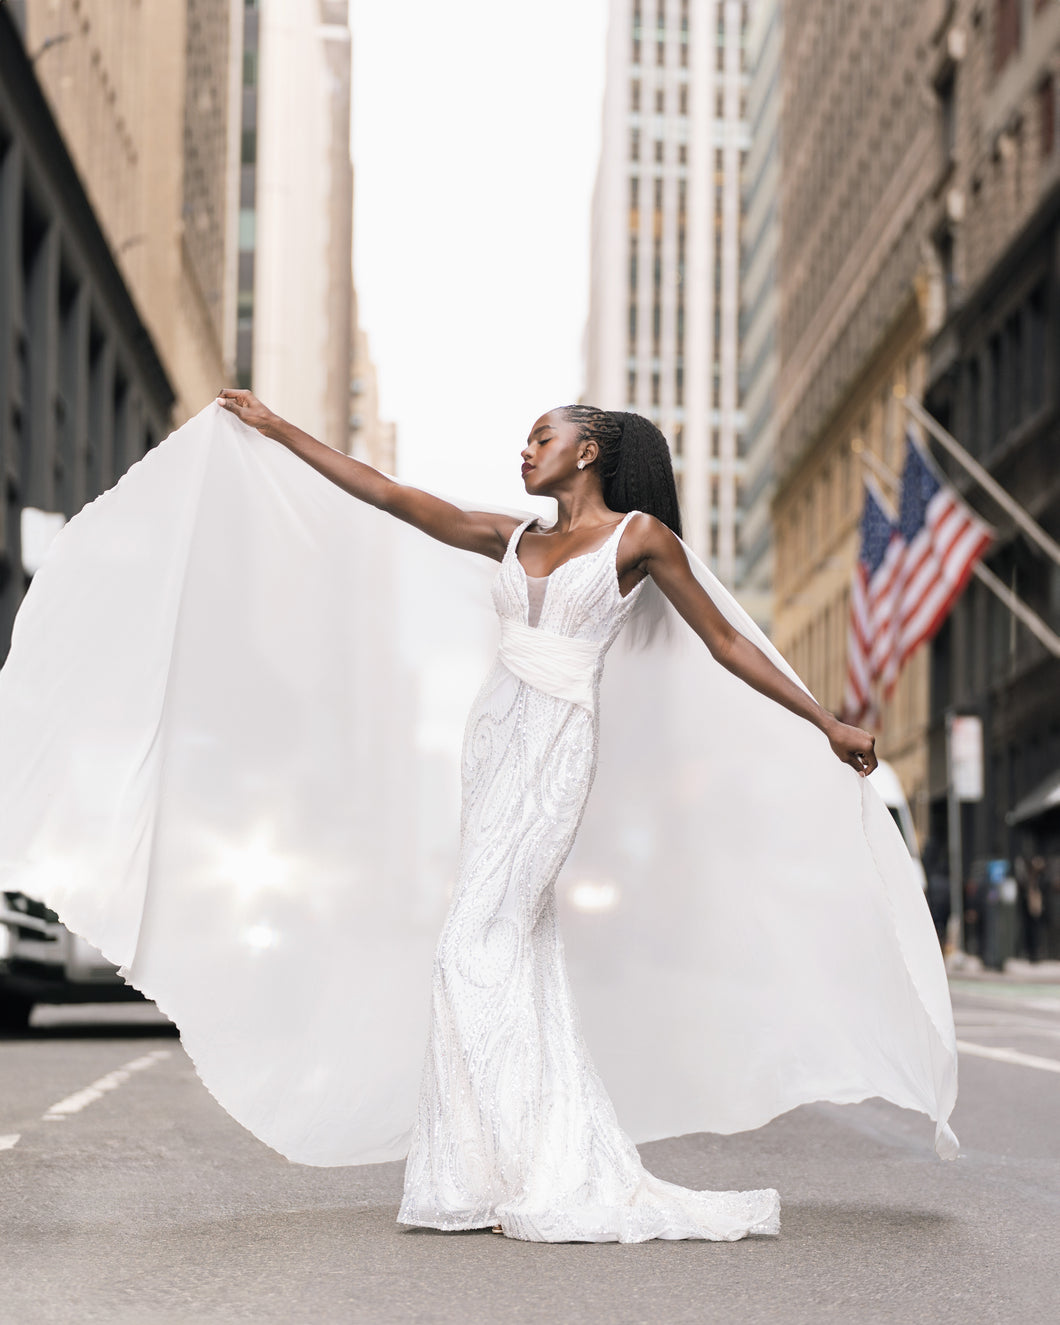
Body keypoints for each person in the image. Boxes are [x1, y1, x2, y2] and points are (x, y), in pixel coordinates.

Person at [0, 392, 959, 1246]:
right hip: (493, 743)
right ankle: (485, 1173)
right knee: (514, 950)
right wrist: (281, 430)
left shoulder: (639, 541)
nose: (526, 450)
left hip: (556, 752)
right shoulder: (510, 536)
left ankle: (536, 1164)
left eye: (542, 436)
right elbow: (390, 497)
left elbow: (722, 644)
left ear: (588, 450)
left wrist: (825, 720)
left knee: (472, 943)